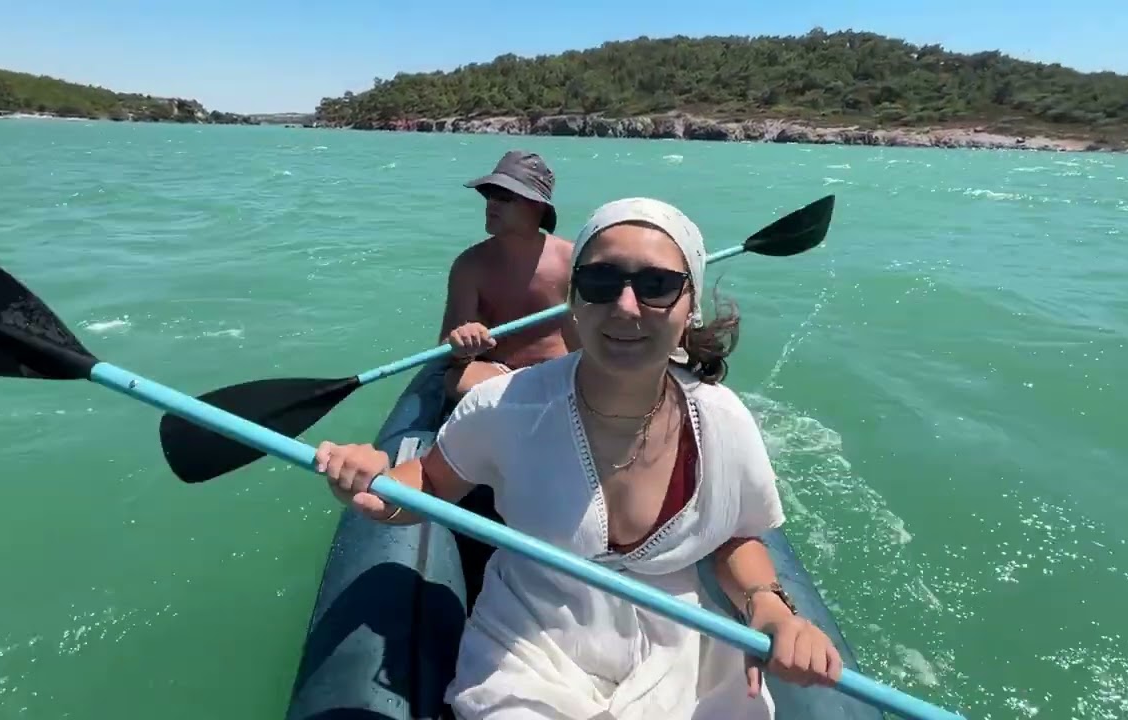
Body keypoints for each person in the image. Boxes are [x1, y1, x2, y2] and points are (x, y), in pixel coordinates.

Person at [315, 198, 842, 719]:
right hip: (528, 649)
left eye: (657, 285)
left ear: (690, 306)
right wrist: (376, 483)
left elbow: (734, 533)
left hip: (682, 652)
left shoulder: (721, 421)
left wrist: (767, 604)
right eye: (600, 282)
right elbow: (429, 485)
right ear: (573, 299)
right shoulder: (506, 405)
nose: (626, 306)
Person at [439, 150, 578, 401]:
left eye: (504, 197)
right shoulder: (469, 266)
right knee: (456, 381)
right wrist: (462, 341)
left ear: (536, 207)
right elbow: (447, 349)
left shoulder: (572, 260)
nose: (491, 204)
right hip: (497, 372)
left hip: (559, 370)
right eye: (489, 195)